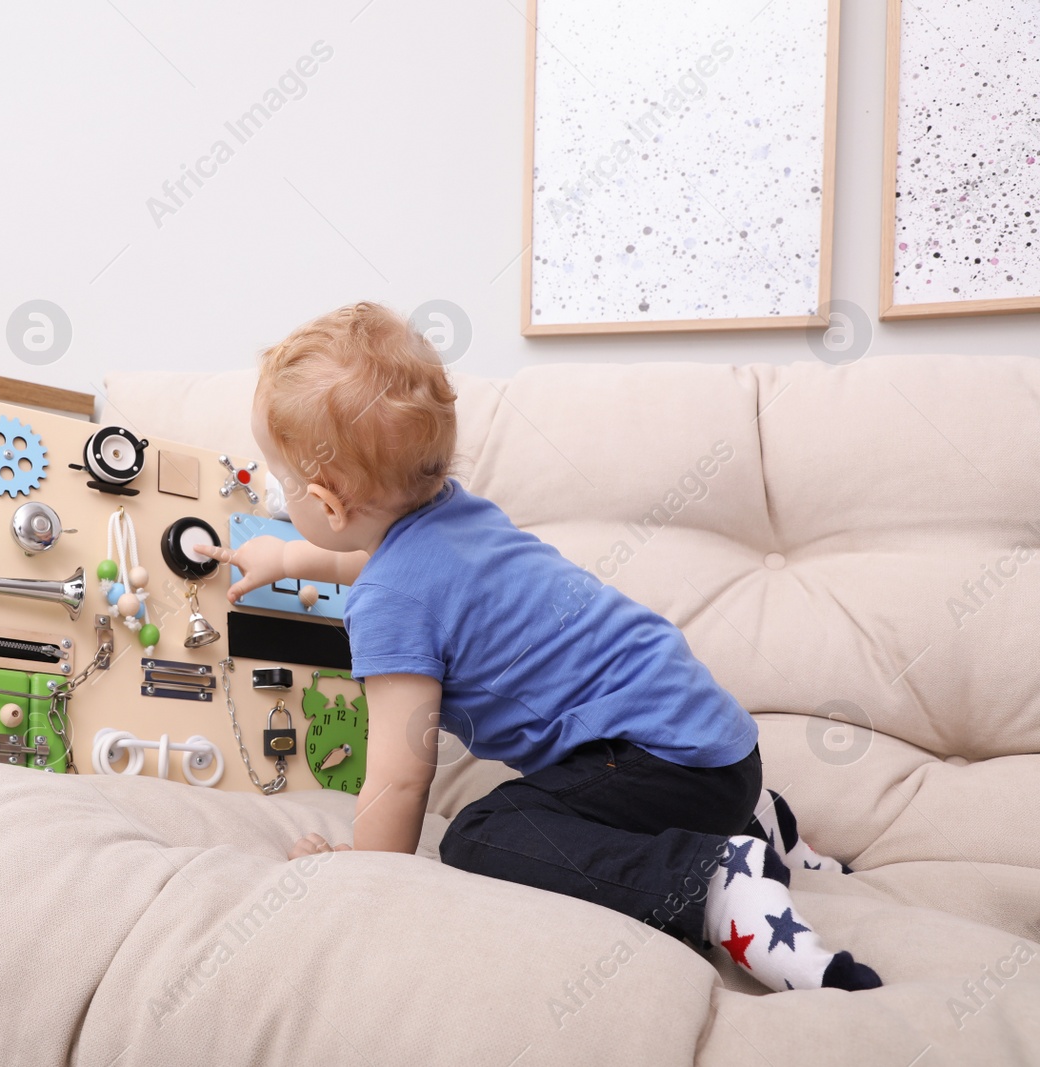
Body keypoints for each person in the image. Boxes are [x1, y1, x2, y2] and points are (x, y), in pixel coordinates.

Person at [194, 302, 881, 993]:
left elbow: (401, 774)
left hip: (669, 772)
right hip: (722, 747)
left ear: (329, 505)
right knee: (558, 803)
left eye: (286, 489)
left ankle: (712, 881)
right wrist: (287, 555)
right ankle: (762, 820)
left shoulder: (391, 600)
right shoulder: (458, 513)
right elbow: (380, 562)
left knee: (482, 833)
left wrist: (363, 867)